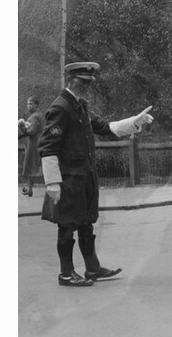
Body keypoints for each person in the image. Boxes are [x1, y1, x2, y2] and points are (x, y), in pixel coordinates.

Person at [39, 62, 154, 288]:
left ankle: (92, 268)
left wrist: (134, 122)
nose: (87, 87)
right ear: (71, 80)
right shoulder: (61, 107)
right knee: (66, 226)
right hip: (68, 180)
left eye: (90, 83)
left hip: (84, 178)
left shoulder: (80, 105)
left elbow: (105, 127)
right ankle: (66, 274)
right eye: (83, 82)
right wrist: (52, 183)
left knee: (86, 224)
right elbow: (48, 147)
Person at [18, 95, 45, 197]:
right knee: (34, 167)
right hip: (37, 143)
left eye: (31, 104)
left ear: (36, 105)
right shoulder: (38, 115)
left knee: (31, 167)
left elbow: (32, 132)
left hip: (34, 145)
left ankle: (30, 189)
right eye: (28, 104)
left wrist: (22, 126)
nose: (29, 106)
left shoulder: (35, 116)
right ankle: (29, 189)